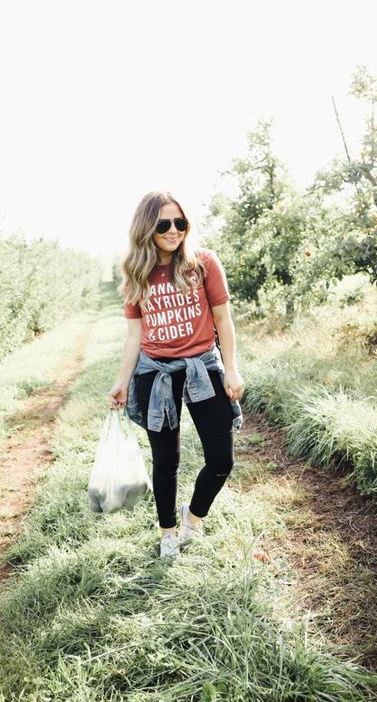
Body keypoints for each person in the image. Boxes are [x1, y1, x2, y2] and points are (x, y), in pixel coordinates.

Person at [108, 190, 245, 558]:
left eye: (180, 222)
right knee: (166, 459)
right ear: (147, 228)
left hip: (203, 366)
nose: (173, 231)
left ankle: (194, 517)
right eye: (164, 224)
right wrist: (122, 381)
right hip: (156, 373)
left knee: (221, 459)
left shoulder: (202, 263)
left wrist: (231, 369)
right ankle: (168, 532)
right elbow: (134, 334)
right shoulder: (137, 272)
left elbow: (223, 320)